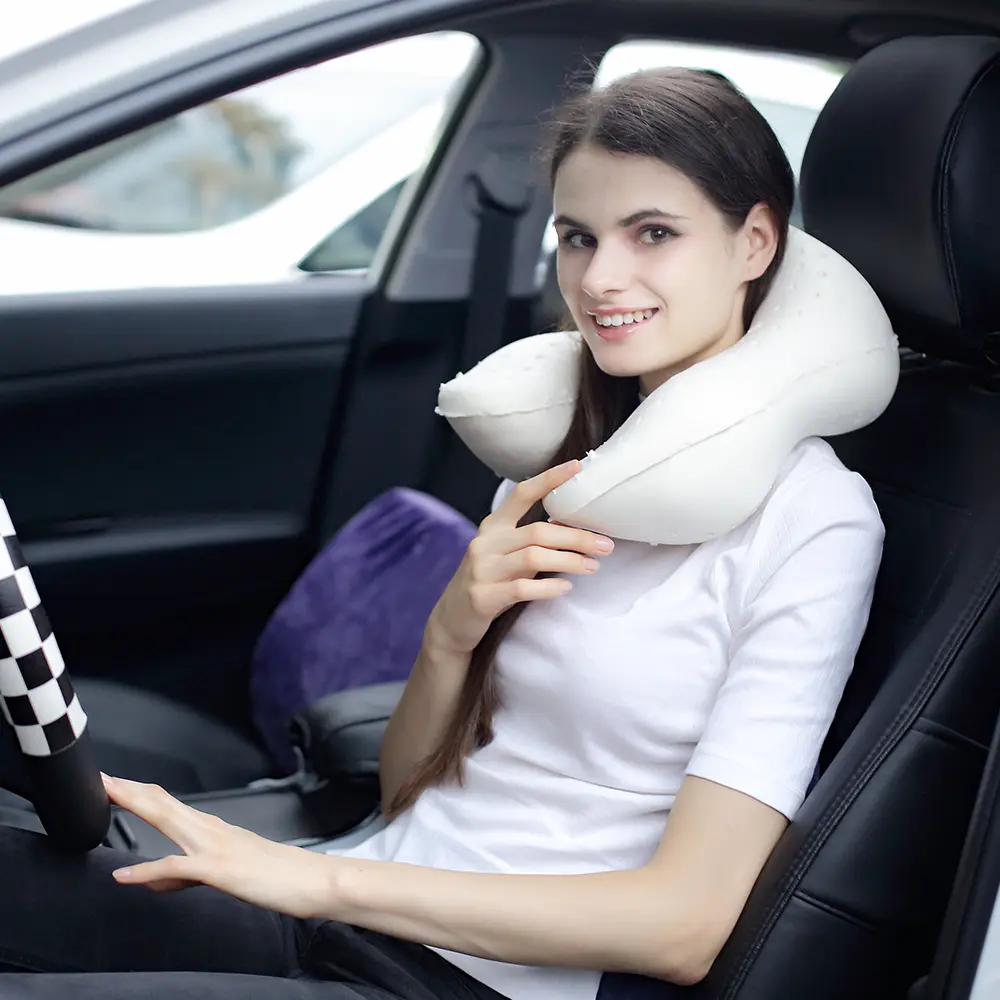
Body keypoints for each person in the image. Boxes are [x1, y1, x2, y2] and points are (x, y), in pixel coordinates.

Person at [0, 67, 884, 1000]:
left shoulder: (816, 522)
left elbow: (686, 926)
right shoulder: (569, 456)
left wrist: (312, 879)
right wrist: (452, 630)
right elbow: (406, 790)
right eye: (577, 237)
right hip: (359, 893)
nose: (599, 279)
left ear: (754, 242)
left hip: (468, 978)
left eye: (653, 234)